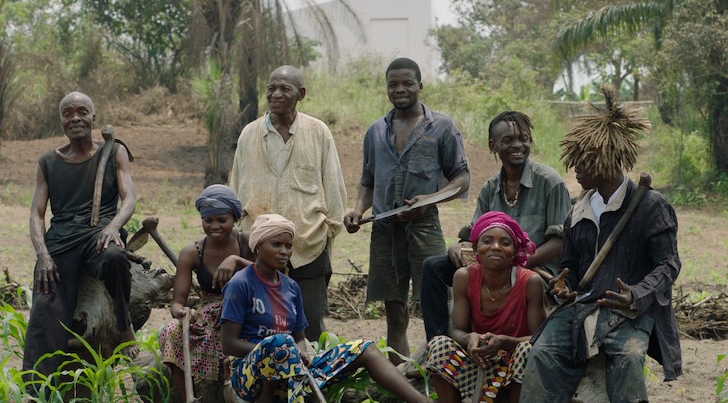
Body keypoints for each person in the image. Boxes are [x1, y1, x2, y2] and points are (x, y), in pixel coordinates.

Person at [516, 87, 682, 403]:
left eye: (583, 161)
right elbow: (571, 269)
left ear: (608, 159)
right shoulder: (577, 211)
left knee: (629, 358)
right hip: (582, 310)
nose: (575, 168)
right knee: (543, 355)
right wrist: (564, 286)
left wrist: (635, 293)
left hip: (630, 315)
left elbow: (669, 265)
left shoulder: (650, 206)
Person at [220, 214, 440, 403]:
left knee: (365, 348)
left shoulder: (290, 287)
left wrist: (300, 352)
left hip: (294, 371)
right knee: (278, 346)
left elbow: (299, 338)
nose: (284, 251)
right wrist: (280, 351)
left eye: (288, 246)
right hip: (248, 376)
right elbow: (229, 344)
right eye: (276, 244)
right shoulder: (241, 284)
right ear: (257, 246)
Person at [344, 57, 470, 363]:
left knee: (436, 305)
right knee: (394, 310)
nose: (400, 89)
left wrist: (427, 201)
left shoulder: (441, 126)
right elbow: (368, 181)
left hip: (424, 227)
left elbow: (462, 180)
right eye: (393, 84)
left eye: (407, 83)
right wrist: (358, 210)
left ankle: (438, 371)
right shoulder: (376, 130)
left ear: (420, 86)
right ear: (387, 88)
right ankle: (399, 376)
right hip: (385, 232)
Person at [23, 91, 137, 401]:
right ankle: (37, 392)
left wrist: (114, 226)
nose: (75, 117)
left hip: (98, 234)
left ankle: (124, 326)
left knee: (115, 257)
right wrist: (43, 255)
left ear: (93, 117)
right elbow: (36, 213)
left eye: (82, 111)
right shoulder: (48, 161)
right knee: (46, 305)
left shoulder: (114, 152)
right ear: (61, 121)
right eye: (68, 113)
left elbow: (129, 198)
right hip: (60, 241)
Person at [422, 111, 571, 341]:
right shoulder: (490, 188)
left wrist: (519, 260)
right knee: (433, 266)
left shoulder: (549, 182)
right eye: (508, 140)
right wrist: (459, 245)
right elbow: (475, 235)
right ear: (493, 146)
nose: (518, 145)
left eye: (523, 138)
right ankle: (437, 344)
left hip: (535, 270)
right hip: (493, 267)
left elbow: (560, 242)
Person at [230, 65, 346, 342]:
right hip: (257, 249)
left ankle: (313, 382)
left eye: (285, 89)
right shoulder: (249, 134)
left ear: (301, 94)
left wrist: (327, 233)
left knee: (311, 325)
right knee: (258, 323)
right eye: (271, 88)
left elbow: (334, 190)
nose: (276, 94)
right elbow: (236, 188)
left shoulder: (318, 132)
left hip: (307, 247)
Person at [425, 211, 545, 403]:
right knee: (438, 345)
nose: (496, 247)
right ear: (475, 249)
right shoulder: (464, 277)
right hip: (480, 366)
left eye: (505, 242)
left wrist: (507, 341)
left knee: (526, 351)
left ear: (515, 251)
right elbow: (457, 331)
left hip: (516, 372)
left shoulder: (530, 282)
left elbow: (539, 337)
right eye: (487, 241)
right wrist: (471, 338)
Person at [158, 185, 254, 403]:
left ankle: (240, 400)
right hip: (209, 315)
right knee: (170, 331)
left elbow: (271, 277)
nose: (214, 226)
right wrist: (183, 313)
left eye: (222, 219)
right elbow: (177, 302)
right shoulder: (192, 252)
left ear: (235, 218)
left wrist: (237, 260)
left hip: (246, 312)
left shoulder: (248, 243)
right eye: (207, 220)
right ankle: (190, 402)